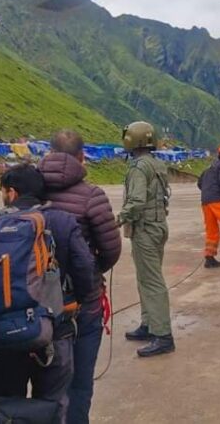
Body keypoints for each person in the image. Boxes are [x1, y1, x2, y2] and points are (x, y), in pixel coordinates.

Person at [0, 165, 95, 422]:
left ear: (11, 193)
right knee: (53, 403)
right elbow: (85, 271)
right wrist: (70, 303)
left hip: (0, 335)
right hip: (53, 332)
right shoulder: (61, 221)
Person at [38, 129, 121, 423]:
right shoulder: (92, 195)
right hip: (83, 302)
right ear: (81, 156)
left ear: (49, 153)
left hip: (37, 305)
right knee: (80, 381)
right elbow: (111, 249)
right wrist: (93, 272)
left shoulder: (34, 191)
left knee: (45, 382)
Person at [118, 121, 174, 357]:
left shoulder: (139, 167)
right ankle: (149, 324)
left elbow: (137, 201)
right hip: (158, 226)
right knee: (146, 278)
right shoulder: (157, 164)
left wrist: (118, 218)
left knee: (151, 282)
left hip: (145, 230)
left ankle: (163, 335)